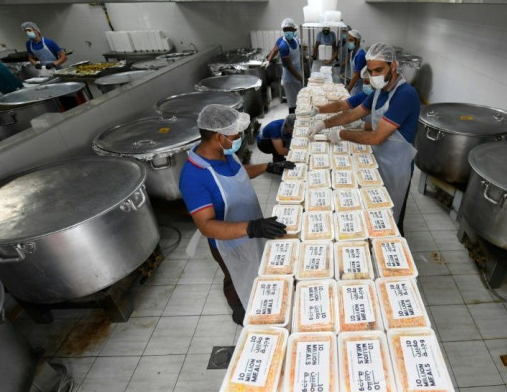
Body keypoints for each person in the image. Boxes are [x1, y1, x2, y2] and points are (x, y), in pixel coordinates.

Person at [179, 105, 296, 325]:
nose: (240, 138)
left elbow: (238, 173)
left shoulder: (223, 153)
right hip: (229, 243)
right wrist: (252, 228)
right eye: (235, 135)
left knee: (258, 268)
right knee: (236, 277)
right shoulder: (194, 176)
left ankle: (259, 300)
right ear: (217, 137)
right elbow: (206, 226)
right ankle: (239, 309)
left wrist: (268, 167)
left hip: (250, 227)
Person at [308, 43, 420, 234]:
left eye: (379, 70)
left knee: (391, 215)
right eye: (371, 71)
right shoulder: (380, 91)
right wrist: (324, 124)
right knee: (374, 211)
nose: (374, 75)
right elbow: (352, 113)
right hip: (377, 160)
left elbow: (376, 137)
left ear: (393, 66)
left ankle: (395, 244)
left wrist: (342, 134)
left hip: (395, 165)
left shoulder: (405, 95)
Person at [278, 18, 304, 114]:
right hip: (289, 78)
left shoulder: (295, 40)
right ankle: (293, 122)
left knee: (301, 100)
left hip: (297, 74)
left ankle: (301, 121)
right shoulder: (283, 46)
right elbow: (289, 66)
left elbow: (297, 54)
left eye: (290, 29)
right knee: (293, 104)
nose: (288, 32)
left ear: (294, 30)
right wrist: (301, 77)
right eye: (285, 30)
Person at [345, 30, 366, 96]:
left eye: (351, 40)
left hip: (359, 87)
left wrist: (348, 89)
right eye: (348, 40)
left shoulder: (360, 55)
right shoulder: (353, 52)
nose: (349, 42)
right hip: (355, 85)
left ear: (358, 41)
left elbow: (356, 75)